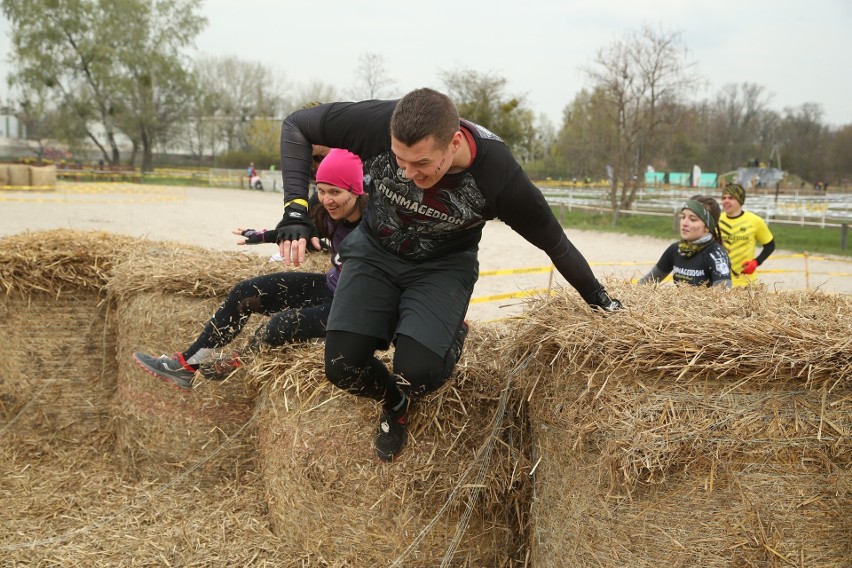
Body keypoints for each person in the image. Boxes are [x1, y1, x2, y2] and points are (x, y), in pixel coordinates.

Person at [274, 88, 623, 462]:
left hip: (441, 266)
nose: (408, 173)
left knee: (420, 372)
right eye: (399, 160)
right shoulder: (378, 121)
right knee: (343, 367)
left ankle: (450, 334)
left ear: (454, 142)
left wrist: (603, 302)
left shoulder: (499, 175)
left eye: (421, 163)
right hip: (375, 251)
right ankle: (395, 404)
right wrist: (294, 209)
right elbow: (296, 125)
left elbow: (558, 246)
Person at [133, 149, 367, 390]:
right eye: (321, 190)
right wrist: (262, 235)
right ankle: (187, 365)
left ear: (356, 190)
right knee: (246, 292)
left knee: (281, 324)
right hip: (332, 286)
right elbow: (302, 230)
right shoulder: (324, 208)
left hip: (356, 308)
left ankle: (241, 361)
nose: (327, 199)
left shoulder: (377, 224)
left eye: (335, 192)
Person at [638, 196, 731, 288]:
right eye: (683, 217)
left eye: (692, 219)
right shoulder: (674, 250)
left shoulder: (716, 255)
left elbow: (724, 298)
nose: (684, 223)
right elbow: (645, 284)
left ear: (707, 227)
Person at [719, 183, 775, 287]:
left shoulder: (755, 221)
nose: (725, 201)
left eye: (731, 198)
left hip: (746, 283)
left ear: (740, 200)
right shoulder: (716, 220)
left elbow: (770, 245)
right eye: (723, 198)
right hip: (720, 281)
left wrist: (756, 262)